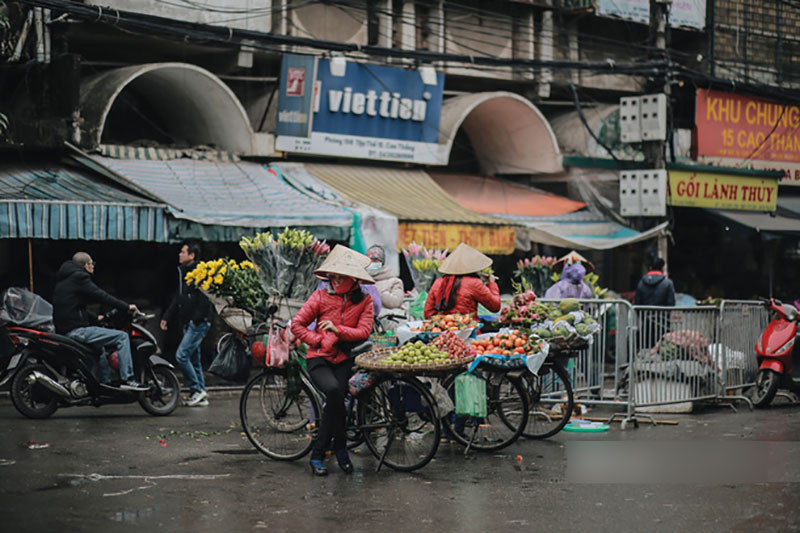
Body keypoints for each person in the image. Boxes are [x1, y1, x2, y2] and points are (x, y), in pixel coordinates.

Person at [290, 245, 375, 476]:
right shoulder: (320, 296)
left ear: (353, 279)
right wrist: (318, 340)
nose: (335, 280)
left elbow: (364, 331)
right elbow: (297, 325)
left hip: (345, 359)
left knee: (337, 400)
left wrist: (338, 330)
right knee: (335, 391)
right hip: (319, 359)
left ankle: (326, 453)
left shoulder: (364, 301)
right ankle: (335, 451)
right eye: (333, 276)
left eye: (341, 276)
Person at [52, 252, 146, 390]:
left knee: (100, 349)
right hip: (77, 330)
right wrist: (126, 307)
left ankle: (105, 384)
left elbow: (74, 307)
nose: (93, 267)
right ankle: (128, 379)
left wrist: (96, 318)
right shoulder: (80, 277)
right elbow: (101, 295)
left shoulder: (65, 279)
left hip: (65, 330)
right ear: (86, 265)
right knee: (122, 337)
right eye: (92, 264)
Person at [160, 243, 213, 407]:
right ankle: (200, 395)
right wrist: (167, 316)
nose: (179, 254)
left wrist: (195, 319)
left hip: (198, 323)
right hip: (187, 322)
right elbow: (179, 297)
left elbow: (206, 299)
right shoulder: (183, 272)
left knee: (181, 356)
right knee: (193, 359)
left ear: (192, 255)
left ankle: (196, 389)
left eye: (183, 252)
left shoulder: (201, 273)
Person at [423, 243, 501, 319]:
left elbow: (428, 313)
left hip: (443, 328)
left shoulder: (438, 282)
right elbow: (495, 307)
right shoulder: (474, 283)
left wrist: (441, 322)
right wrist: (492, 283)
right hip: (468, 329)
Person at [365, 244, 405, 310]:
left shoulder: (394, 281)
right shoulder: (361, 280)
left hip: (386, 318)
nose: (370, 263)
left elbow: (395, 303)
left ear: (382, 262)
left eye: (375, 260)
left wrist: (374, 290)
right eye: (368, 260)